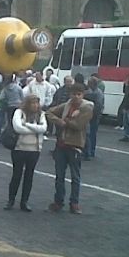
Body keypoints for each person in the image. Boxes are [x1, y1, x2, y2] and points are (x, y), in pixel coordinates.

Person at [45, 83, 93, 214]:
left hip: (75, 145)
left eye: (79, 94)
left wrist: (64, 121)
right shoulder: (67, 105)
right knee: (59, 175)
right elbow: (49, 112)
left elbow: (78, 125)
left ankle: (74, 203)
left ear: (83, 95)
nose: (76, 97)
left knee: (75, 176)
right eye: (74, 94)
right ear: (70, 94)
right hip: (61, 144)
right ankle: (58, 201)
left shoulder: (87, 108)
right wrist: (59, 120)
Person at [4, 95, 47, 212]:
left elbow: (44, 128)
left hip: (34, 150)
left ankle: (24, 202)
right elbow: (18, 128)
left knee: (29, 176)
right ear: (27, 103)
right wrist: (35, 128)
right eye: (32, 103)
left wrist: (27, 125)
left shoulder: (41, 114)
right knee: (16, 175)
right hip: (19, 148)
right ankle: (11, 200)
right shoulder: (19, 112)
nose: (35, 105)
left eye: (37, 103)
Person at [83, 76, 104, 161]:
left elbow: (98, 106)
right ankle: (89, 151)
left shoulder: (98, 93)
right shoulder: (92, 92)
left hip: (94, 116)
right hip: (92, 115)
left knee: (91, 134)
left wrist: (91, 113)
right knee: (90, 133)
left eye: (89, 83)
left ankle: (90, 151)